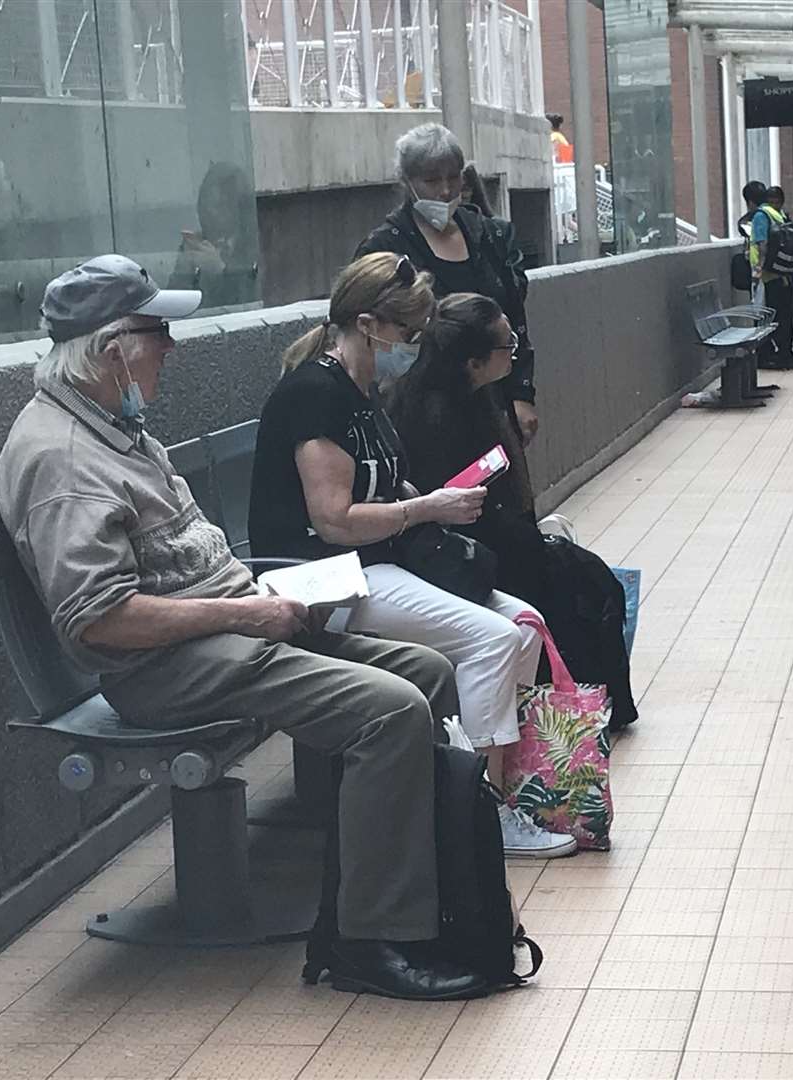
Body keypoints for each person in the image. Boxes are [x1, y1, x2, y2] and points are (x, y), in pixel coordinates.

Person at [0, 255, 485, 1001]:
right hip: (166, 667)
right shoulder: (62, 460)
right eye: (158, 331)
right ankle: (366, 940)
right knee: (389, 712)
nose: (171, 347)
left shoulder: (111, 428)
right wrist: (248, 611)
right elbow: (100, 620)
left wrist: (275, 596)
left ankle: (382, 878)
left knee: (424, 670)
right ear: (110, 347)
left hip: (229, 630)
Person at [247, 252, 578, 859]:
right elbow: (334, 520)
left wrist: (429, 501)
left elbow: (383, 485)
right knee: (494, 640)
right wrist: (424, 510)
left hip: (376, 566)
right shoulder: (314, 396)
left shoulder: (361, 390)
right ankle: (479, 816)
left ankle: (487, 785)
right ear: (370, 324)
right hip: (324, 581)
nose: (416, 345)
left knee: (523, 626)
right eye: (409, 332)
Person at [386, 293, 639, 729]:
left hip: (488, 532)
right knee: (578, 586)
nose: (515, 353)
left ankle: (595, 705)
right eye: (507, 347)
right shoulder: (429, 415)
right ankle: (570, 710)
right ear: (473, 362)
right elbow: (457, 506)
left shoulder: (475, 394)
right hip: (453, 550)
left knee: (593, 578)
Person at [356, 123, 539, 450]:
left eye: (453, 178)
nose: (444, 191)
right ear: (408, 183)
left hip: (491, 399)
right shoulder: (384, 247)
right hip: (418, 410)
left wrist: (521, 393)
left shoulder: (490, 236)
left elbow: (514, 320)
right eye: (431, 180)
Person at [168, 161, 258, 306]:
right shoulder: (195, 244)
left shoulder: (255, 244)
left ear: (238, 209)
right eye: (203, 203)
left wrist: (220, 272)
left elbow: (251, 302)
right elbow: (173, 306)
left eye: (218, 206)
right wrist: (183, 272)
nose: (207, 212)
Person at [741, 180, 793, 370]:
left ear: (749, 201)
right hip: (785, 273)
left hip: (768, 275)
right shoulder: (778, 213)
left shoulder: (760, 216)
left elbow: (761, 244)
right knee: (784, 317)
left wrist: (758, 270)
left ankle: (770, 357)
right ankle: (786, 354)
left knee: (768, 318)